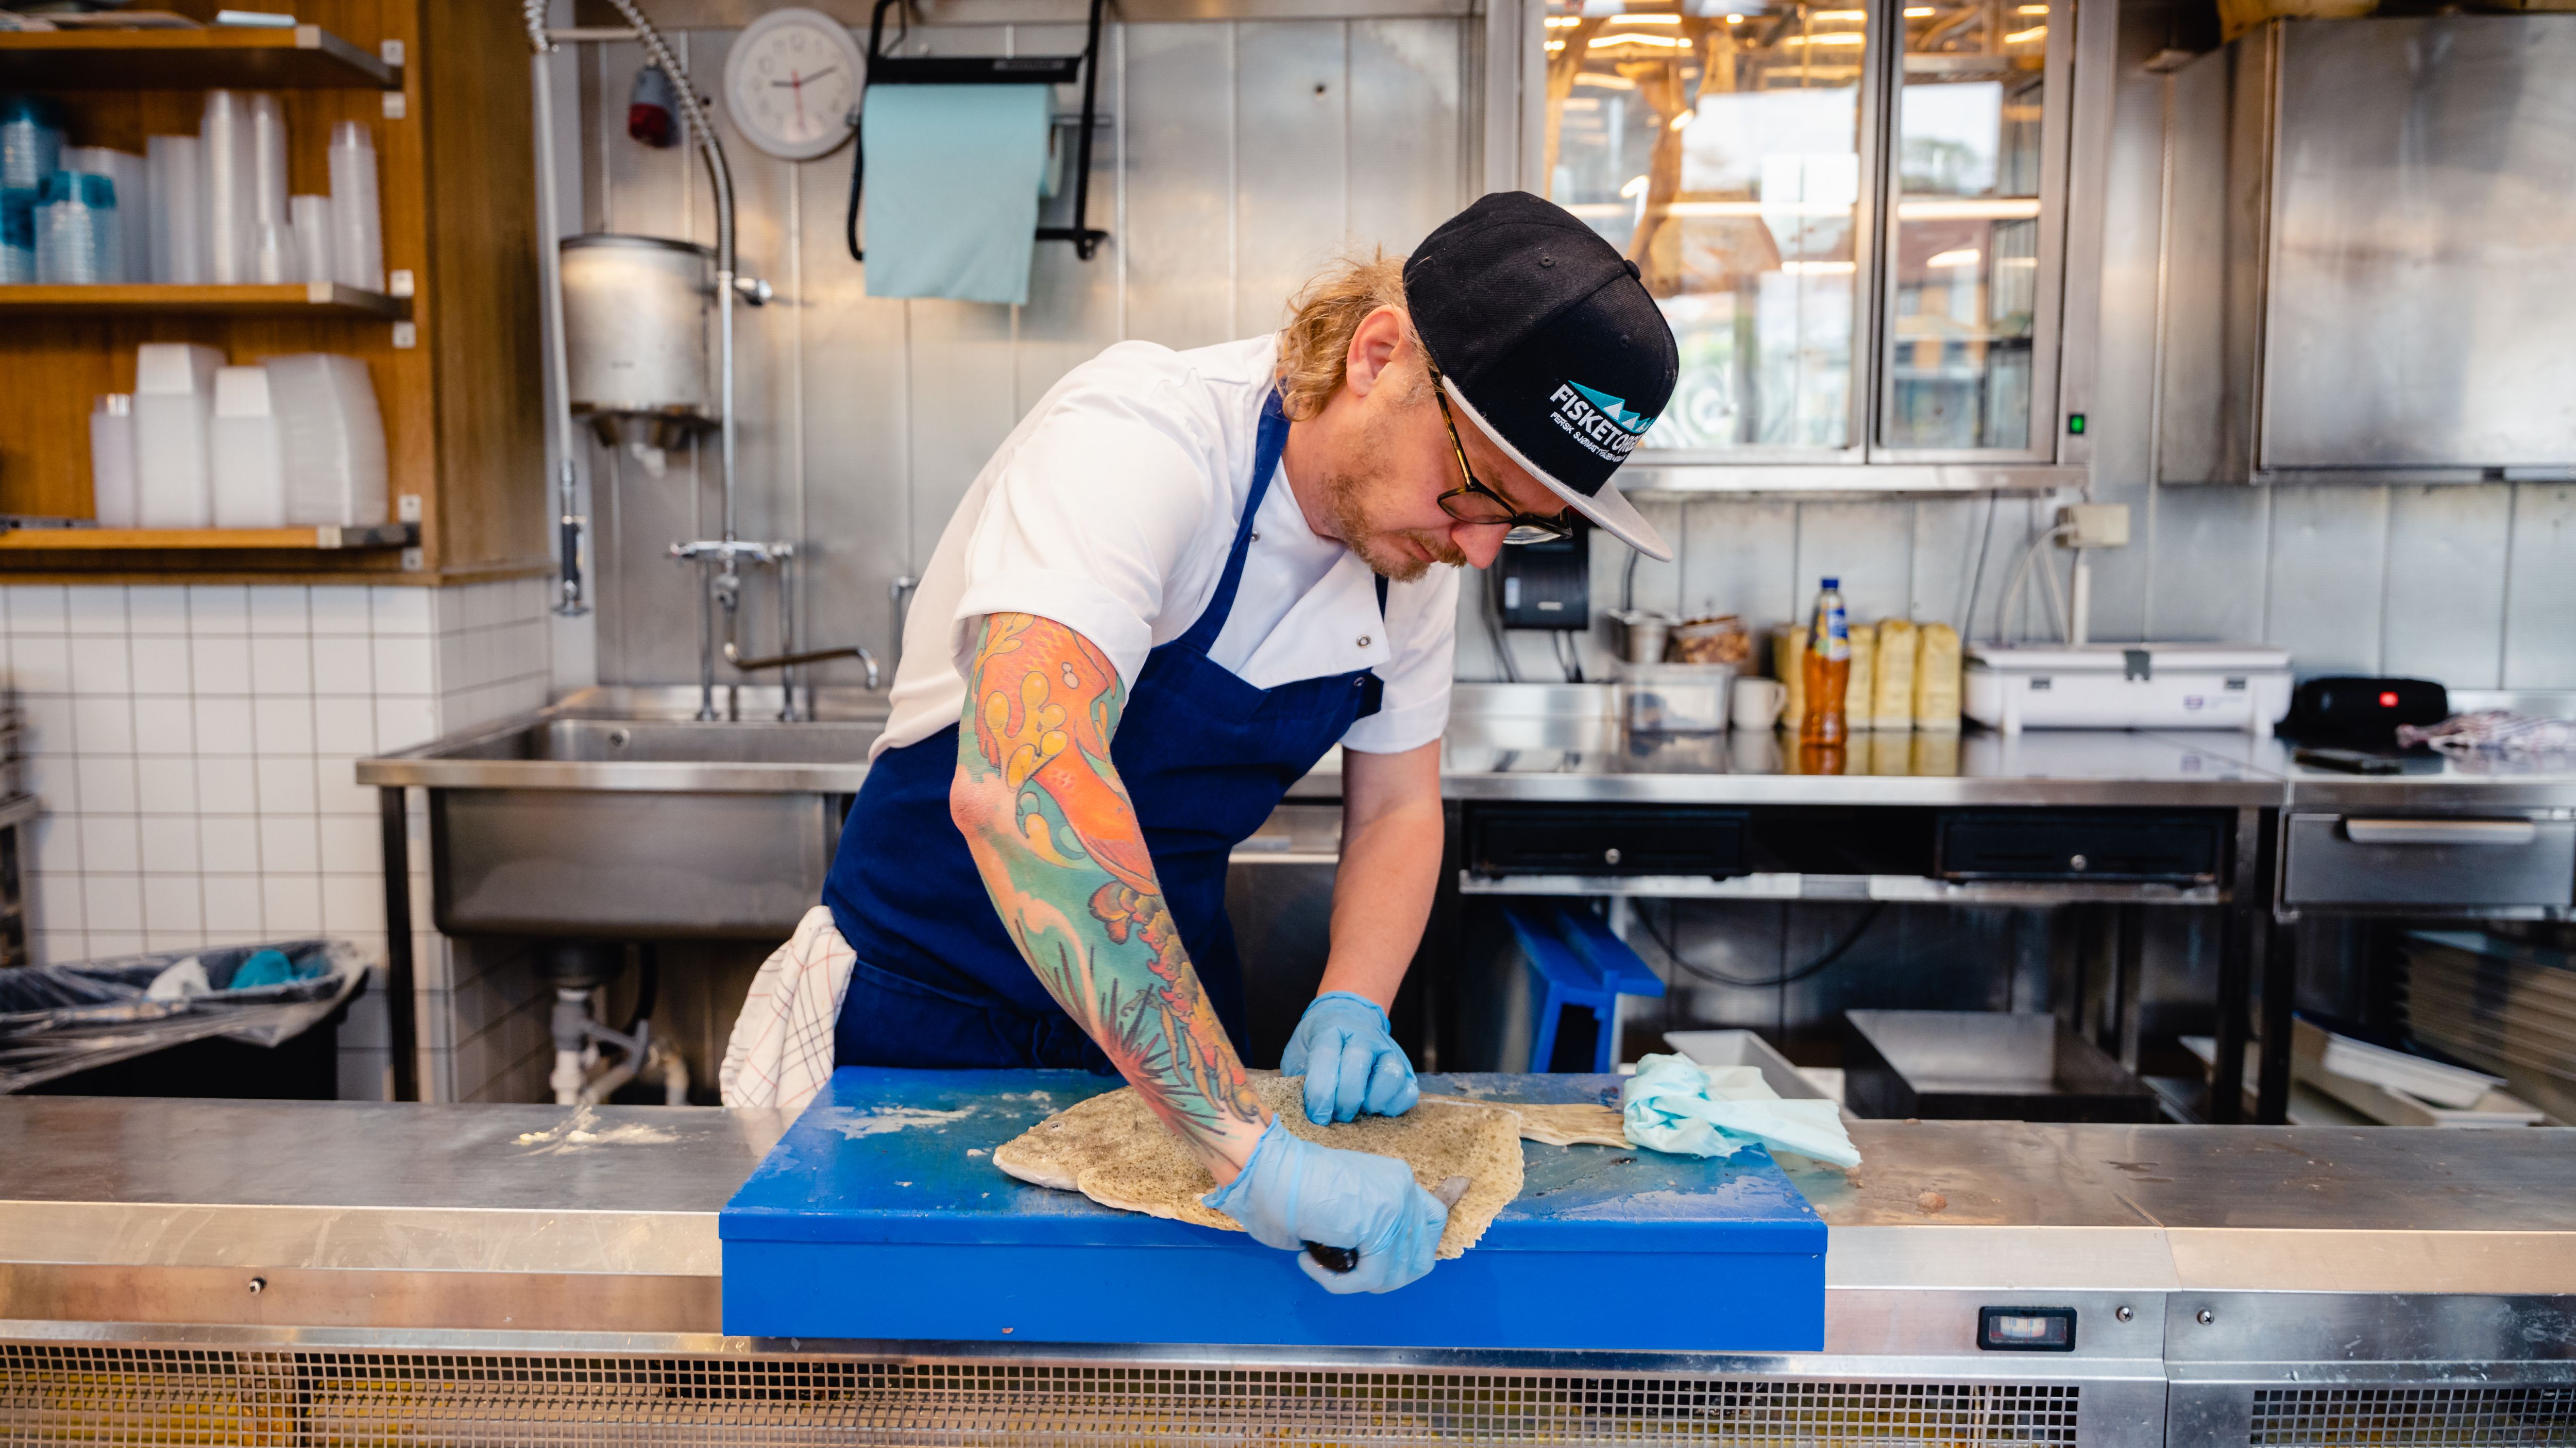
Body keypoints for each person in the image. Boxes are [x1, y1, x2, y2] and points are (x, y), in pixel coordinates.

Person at [722, 191, 1678, 1294]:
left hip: (1173, 1034)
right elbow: (1026, 788)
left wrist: (1354, 999)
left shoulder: (1411, 552)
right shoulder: (1139, 438)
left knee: (1150, 1357)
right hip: (929, 1018)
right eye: (1473, 491)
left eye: (1522, 519)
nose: (1478, 547)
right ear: (1378, 357)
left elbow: (1399, 806)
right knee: (903, 1340)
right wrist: (1246, 1149)